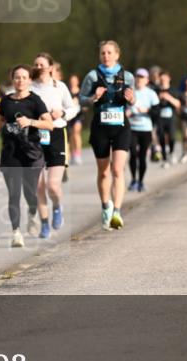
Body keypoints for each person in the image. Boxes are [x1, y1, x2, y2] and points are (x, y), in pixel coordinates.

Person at [0, 65, 52, 247]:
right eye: (17, 77)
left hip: (30, 152)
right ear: (13, 79)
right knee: (14, 194)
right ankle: (16, 233)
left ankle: (32, 212)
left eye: (24, 77)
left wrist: (30, 122)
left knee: (30, 193)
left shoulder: (35, 100)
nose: (20, 81)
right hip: (10, 152)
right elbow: (2, 119)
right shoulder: (6, 101)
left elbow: (49, 124)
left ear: (30, 80)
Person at [79, 40, 135, 230]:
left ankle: (117, 212)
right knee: (103, 171)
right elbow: (81, 100)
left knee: (117, 170)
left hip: (121, 126)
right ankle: (105, 207)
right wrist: (93, 97)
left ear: (117, 55)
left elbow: (133, 100)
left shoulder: (127, 76)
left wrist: (132, 99)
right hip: (100, 127)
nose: (106, 56)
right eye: (103, 53)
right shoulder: (92, 76)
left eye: (110, 53)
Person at [30, 52, 78, 238]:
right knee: (39, 186)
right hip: (35, 136)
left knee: (52, 185)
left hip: (56, 133)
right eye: (36, 64)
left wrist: (62, 113)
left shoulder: (60, 86)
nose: (38, 67)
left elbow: (73, 108)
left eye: (41, 64)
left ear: (50, 67)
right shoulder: (30, 88)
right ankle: (44, 224)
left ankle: (57, 206)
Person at [128, 68, 160, 190]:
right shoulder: (130, 92)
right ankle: (133, 180)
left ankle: (141, 181)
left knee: (142, 156)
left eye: (142, 77)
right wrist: (127, 113)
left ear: (147, 80)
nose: (139, 79)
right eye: (137, 77)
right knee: (133, 154)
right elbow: (123, 107)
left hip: (146, 129)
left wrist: (147, 110)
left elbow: (157, 112)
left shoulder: (151, 94)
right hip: (132, 128)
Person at [155, 71, 180, 168]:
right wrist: (158, 97)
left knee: (172, 137)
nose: (163, 80)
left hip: (171, 117)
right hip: (160, 118)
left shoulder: (174, 90)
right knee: (161, 137)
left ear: (169, 79)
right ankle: (165, 159)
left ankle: (172, 152)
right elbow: (152, 103)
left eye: (165, 78)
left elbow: (178, 104)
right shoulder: (156, 90)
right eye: (161, 78)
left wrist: (168, 97)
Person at [66, 73, 85, 165]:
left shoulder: (81, 92)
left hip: (78, 115)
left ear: (77, 81)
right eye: (71, 81)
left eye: (74, 80)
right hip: (70, 115)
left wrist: (81, 105)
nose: (73, 82)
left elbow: (85, 104)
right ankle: (72, 153)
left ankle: (78, 154)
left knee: (76, 132)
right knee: (71, 135)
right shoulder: (67, 92)